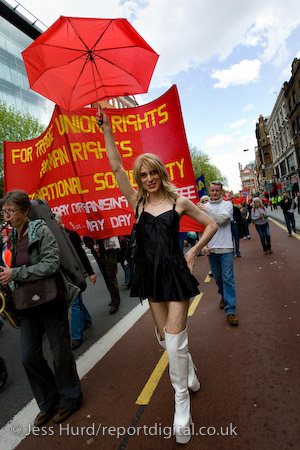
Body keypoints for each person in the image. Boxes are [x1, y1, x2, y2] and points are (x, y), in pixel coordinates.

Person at [96, 107, 217, 444]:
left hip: (175, 273)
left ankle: (181, 404)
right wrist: (106, 129)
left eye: (152, 173)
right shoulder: (136, 202)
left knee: (175, 337)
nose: (148, 179)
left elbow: (211, 224)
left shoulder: (179, 201)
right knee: (165, 339)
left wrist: (193, 251)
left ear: (160, 173)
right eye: (143, 174)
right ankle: (189, 371)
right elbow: (116, 166)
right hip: (149, 276)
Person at [0, 190, 82, 427]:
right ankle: (48, 401)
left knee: (60, 352)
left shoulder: (41, 230)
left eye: (11, 211)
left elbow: (51, 264)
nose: (7, 216)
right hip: (26, 304)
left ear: (25, 211)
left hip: (49, 300)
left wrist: (15, 273)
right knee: (28, 357)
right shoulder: (13, 236)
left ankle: (70, 398)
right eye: (4, 211)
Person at [198, 181, 239, 326]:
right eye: (212, 190)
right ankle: (223, 295)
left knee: (228, 279)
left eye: (217, 190)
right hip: (211, 248)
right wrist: (203, 245)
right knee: (218, 278)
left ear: (221, 191)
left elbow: (222, 220)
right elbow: (200, 227)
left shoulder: (227, 205)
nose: (214, 193)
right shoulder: (204, 206)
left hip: (226, 247)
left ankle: (231, 310)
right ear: (209, 190)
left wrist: (205, 209)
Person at [55, 213, 96, 350]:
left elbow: (81, 253)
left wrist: (90, 273)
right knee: (75, 300)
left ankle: (77, 336)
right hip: (63, 276)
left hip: (75, 274)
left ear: (60, 222)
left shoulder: (72, 234)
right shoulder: (51, 238)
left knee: (74, 304)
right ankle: (87, 319)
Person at [83, 236, 121, 314]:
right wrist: (92, 245)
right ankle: (114, 297)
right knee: (106, 278)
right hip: (99, 257)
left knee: (110, 277)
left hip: (109, 254)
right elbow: (86, 239)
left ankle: (115, 301)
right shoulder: (89, 228)